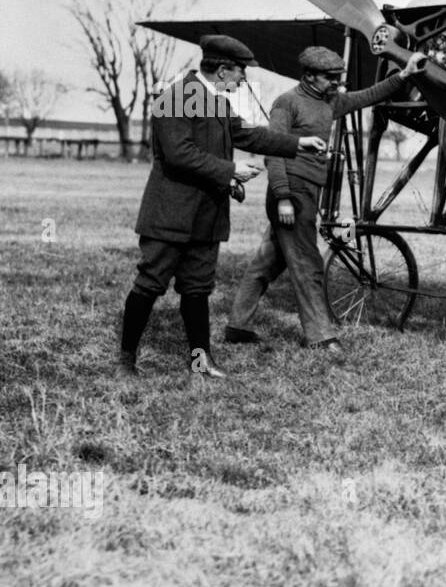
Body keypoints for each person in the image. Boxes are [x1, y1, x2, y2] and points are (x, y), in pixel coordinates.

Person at [118, 34, 326, 378]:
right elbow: (178, 153)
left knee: (197, 289)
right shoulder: (177, 96)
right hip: (170, 213)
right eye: (240, 72)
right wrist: (231, 170)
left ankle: (201, 362)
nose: (244, 79)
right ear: (224, 69)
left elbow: (247, 134)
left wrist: (298, 143)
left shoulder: (214, 100)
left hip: (206, 215)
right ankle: (126, 360)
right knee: (150, 284)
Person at [224, 46, 428, 357]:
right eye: (330, 78)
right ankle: (319, 335)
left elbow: (370, 95)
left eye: (338, 78)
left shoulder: (329, 101)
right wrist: (283, 198)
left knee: (268, 260)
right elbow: (274, 150)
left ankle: (237, 326)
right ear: (309, 76)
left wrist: (406, 73)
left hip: (308, 190)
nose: (336, 83)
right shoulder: (286, 103)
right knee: (308, 263)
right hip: (291, 192)